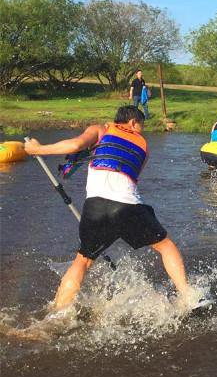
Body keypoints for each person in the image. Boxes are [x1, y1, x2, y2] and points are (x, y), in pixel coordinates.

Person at [24, 106, 205, 313]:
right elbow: (130, 177)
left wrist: (37, 149)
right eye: (141, 126)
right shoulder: (144, 148)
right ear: (133, 123)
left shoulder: (100, 130)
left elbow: (75, 145)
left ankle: (57, 313)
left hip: (95, 206)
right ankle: (188, 297)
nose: (141, 131)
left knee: (82, 261)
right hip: (127, 205)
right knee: (165, 245)